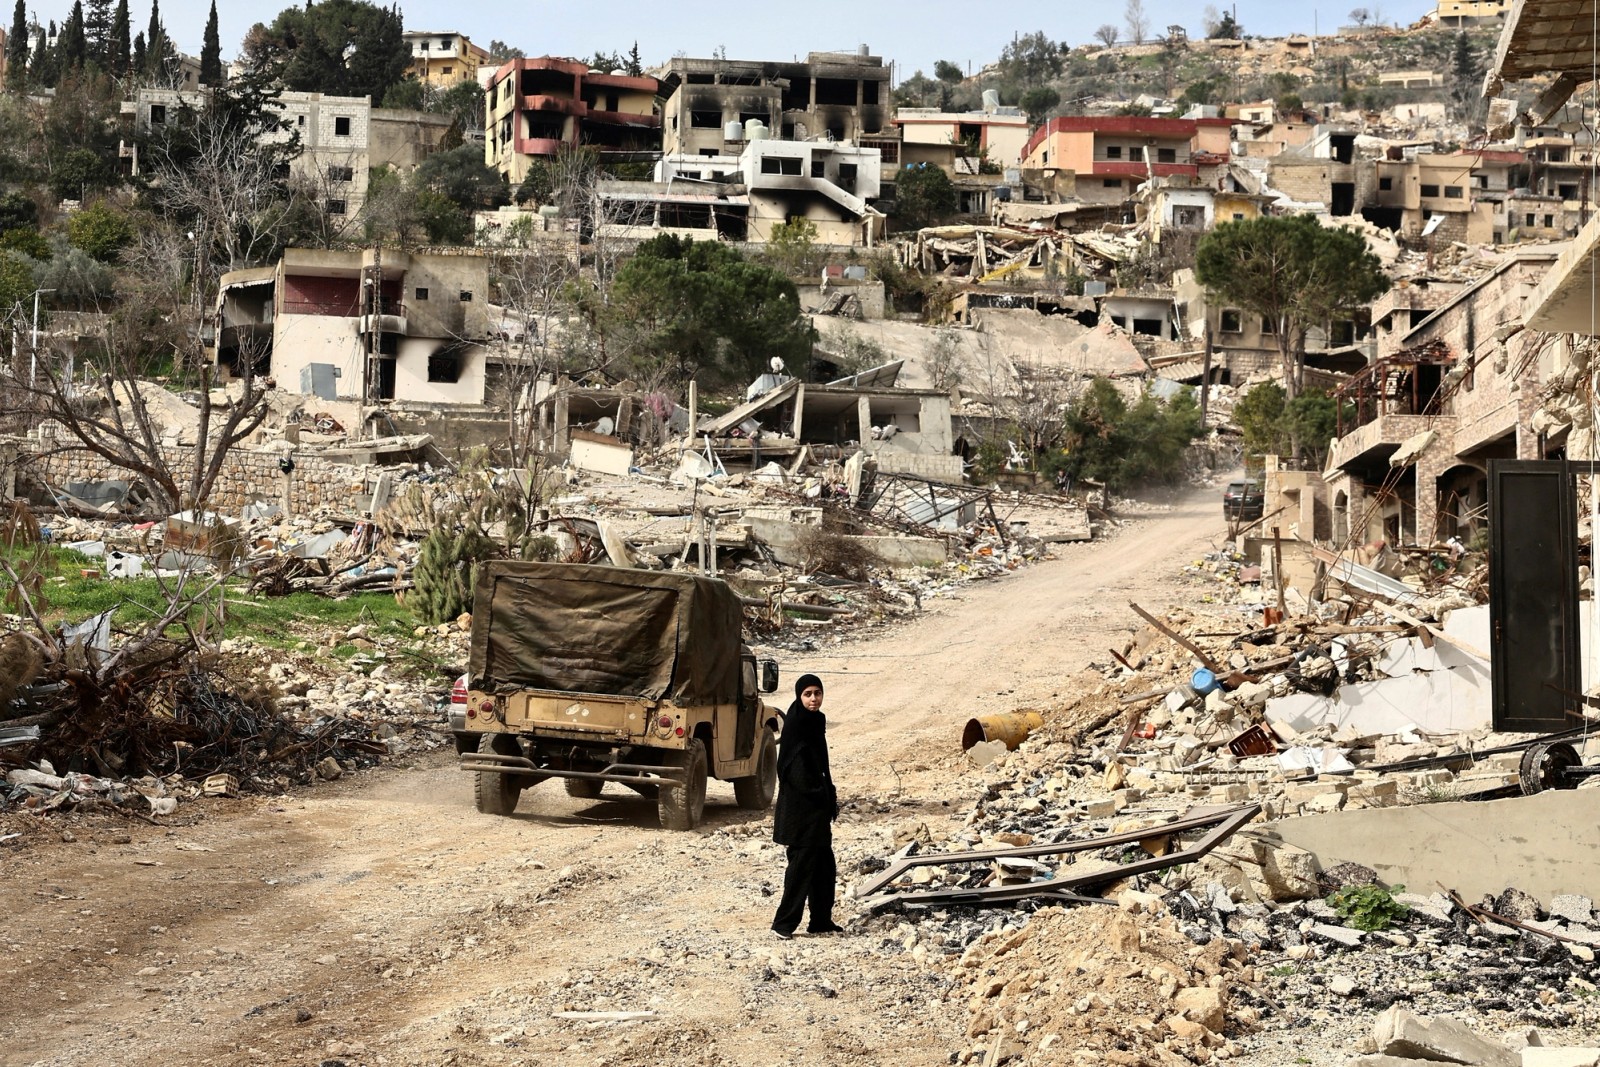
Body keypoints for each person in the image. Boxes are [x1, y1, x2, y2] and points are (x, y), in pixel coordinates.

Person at [771, 673, 842, 939]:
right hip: (801, 811)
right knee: (800, 869)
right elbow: (793, 770)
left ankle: (821, 920)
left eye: (817, 693)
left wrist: (828, 794)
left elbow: (821, 763)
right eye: (808, 694)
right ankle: (783, 924)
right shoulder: (797, 724)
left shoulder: (816, 721)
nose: (814, 699)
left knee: (824, 868)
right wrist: (819, 793)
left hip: (817, 811)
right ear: (799, 696)